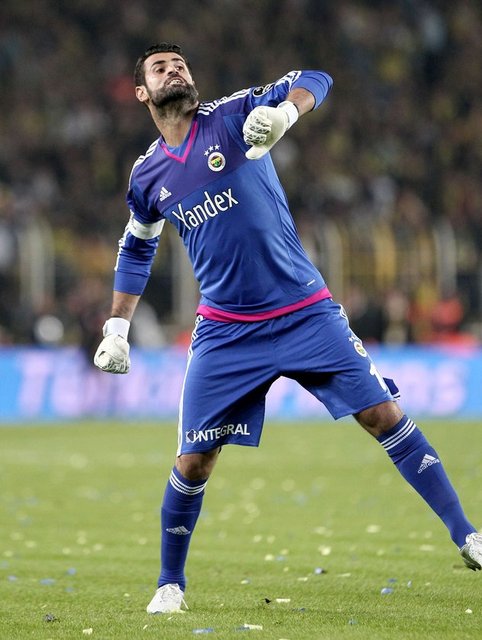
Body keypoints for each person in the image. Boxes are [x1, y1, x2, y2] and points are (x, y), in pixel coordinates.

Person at [94, 43, 481, 614]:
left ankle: (468, 536)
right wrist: (116, 326)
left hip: (304, 311)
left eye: (180, 63)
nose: (175, 69)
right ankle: (169, 584)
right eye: (160, 67)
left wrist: (285, 114)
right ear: (141, 93)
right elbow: (136, 247)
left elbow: (315, 75)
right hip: (226, 331)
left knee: (383, 414)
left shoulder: (233, 115)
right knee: (194, 461)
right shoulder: (147, 174)